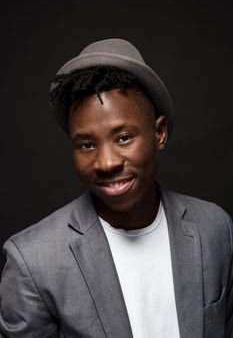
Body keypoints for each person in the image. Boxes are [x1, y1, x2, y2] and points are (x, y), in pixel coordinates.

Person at [0, 39, 232, 338]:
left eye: (123, 137)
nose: (106, 162)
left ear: (159, 133)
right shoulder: (33, 261)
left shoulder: (215, 228)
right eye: (86, 144)